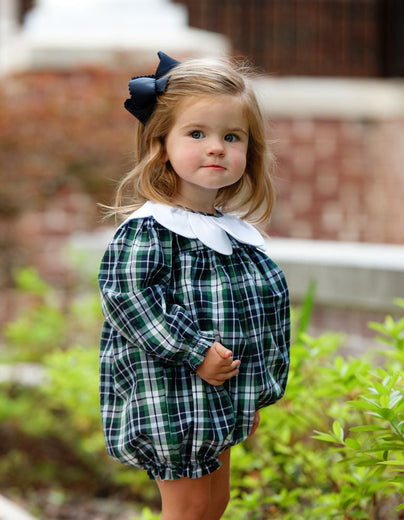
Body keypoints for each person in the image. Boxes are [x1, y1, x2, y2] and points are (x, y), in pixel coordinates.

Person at [98, 51, 290, 520]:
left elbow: (258, 316)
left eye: (232, 136)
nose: (216, 148)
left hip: (220, 399)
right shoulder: (151, 230)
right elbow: (129, 301)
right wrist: (195, 351)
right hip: (173, 396)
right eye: (197, 133)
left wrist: (252, 390)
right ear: (161, 143)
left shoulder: (232, 235)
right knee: (187, 509)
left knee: (214, 504)